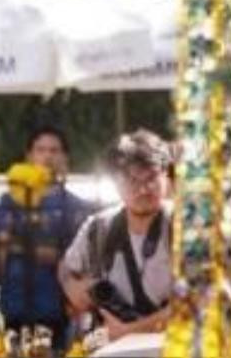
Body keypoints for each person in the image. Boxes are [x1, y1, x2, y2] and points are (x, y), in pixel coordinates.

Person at [59, 130, 174, 344]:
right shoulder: (97, 229)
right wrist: (75, 289)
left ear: (166, 176)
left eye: (151, 178)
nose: (143, 189)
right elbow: (66, 268)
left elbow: (199, 302)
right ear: (116, 183)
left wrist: (130, 331)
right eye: (132, 180)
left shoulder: (186, 228)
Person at [0, 125, 90, 349]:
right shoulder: (9, 201)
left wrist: (23, 246)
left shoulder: (76, 207)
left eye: (54, 150)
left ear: (65, 157)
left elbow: (77, 261)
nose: (47, 156)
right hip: (13, 308)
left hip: (55, 312)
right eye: (41, 149)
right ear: (29, 155)